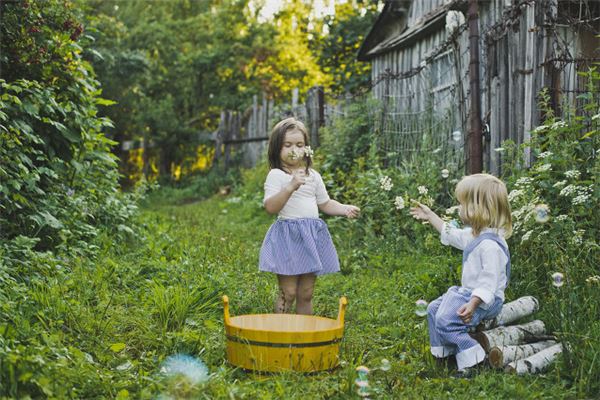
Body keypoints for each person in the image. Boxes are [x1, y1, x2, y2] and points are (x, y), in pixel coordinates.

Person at [409, 173, 512, 374]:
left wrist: (473, 303)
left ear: (479, 209)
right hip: (468, 293)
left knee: (446, 320)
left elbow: (489, 283)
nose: (459, 209)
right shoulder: (477, 235)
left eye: (463, 205)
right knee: (432, 309)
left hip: (485, 300)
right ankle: (444, 354)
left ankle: (473, 359)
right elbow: (454, 235)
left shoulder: (491, 246)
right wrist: (430, 216)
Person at [259, 117, 360, 315]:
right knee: (288, 292)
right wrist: (290, 186)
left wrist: (344, 208)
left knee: (306, 292)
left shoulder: (313, 176)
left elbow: (325, 203)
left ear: (306, 148)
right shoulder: (276, 175)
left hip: (310, 237)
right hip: (288, 238)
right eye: (287, 145)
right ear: (277, 148)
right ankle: (281, 331)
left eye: (299, 144)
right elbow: (271, 207)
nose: (294, 150)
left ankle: (303, 334)